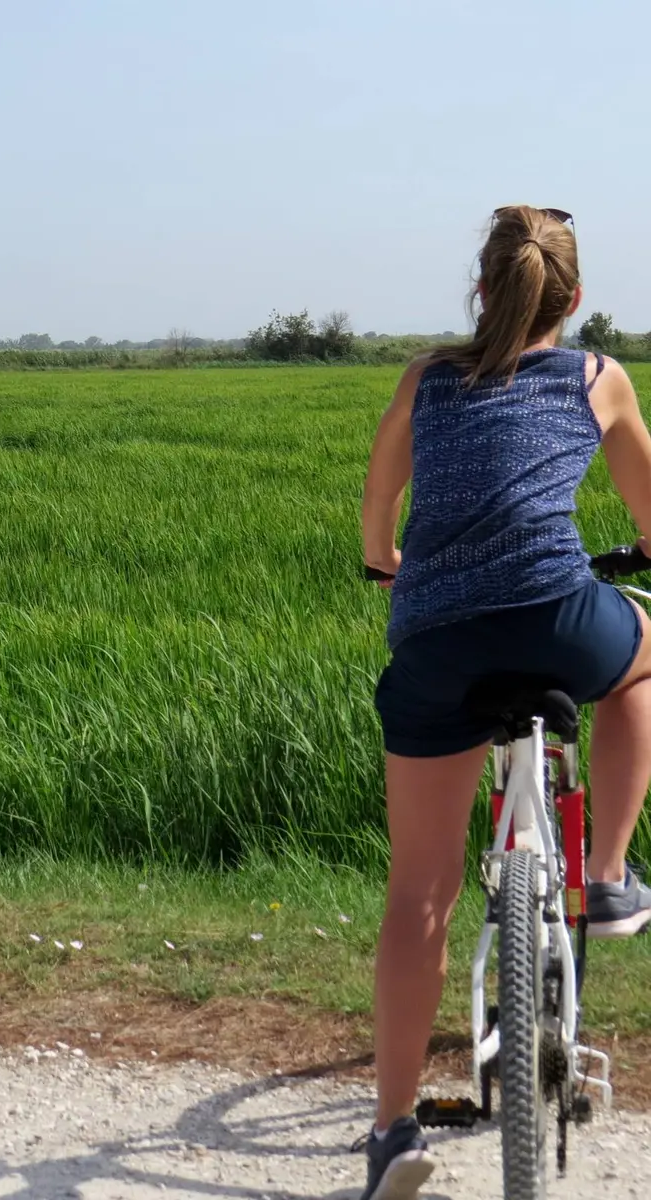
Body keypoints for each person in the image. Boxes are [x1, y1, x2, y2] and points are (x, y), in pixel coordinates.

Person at [358, 204, 651, 1200]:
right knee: (645, 663)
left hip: (436, 645)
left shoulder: (426, 379)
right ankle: (606, 875)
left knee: (420, 894)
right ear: (572, 300)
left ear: (481, 291)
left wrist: (386, 564)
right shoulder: (596, 376)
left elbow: (376, 510)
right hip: (556, 621)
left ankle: (394, 1133)